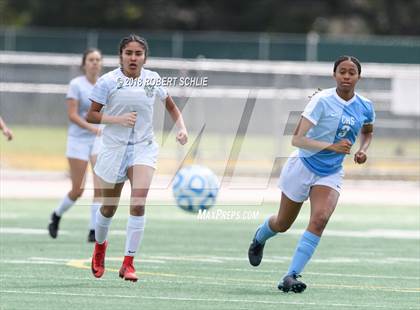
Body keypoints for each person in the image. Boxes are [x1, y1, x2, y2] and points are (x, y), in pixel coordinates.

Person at [248, 56, 375, 293]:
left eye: (351, 73)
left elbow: (367, 132)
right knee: (283, 223)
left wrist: (362, 150)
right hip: (303, 166)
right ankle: (259, 238)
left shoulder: (365, 106)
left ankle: (290, 275)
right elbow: (297, 139)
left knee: (320, 219)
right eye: (342, 72)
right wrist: (332, 147)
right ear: (334, 75)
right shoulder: (321, 101)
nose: (346, 77)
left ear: (359, 76)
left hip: (331, 172)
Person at [86, 34, 188, 282]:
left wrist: (181, 128)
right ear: (121, 55)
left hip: (143, 147)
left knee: (139, 203)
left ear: (145, 57)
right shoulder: (107, 82)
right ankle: (100, 247)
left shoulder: (152, 79)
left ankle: (128, 263)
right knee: (108, 208)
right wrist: (116, 120)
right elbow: (91, 115)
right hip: (113, 148)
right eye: (129, 53)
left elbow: (171, 106)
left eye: (138, 53)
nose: (133, 58)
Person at [48, 48, 103, 242]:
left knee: (100, 187)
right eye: (91, 59)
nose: (95, 63)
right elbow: (72, 115)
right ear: (84, 63)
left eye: (97, 59)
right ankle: (56, 214)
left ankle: (93, 231)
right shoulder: (76, 84)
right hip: (78, 140)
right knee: (78, 189)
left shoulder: (106, 84)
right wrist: (92, 128)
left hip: (98, 140)